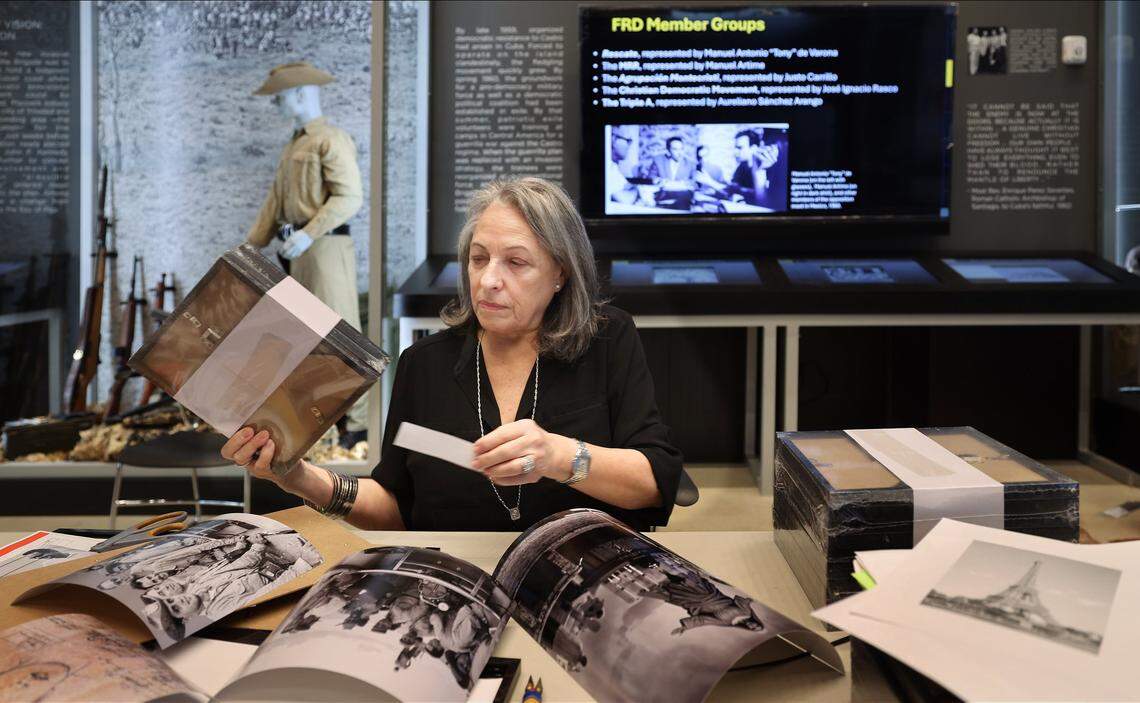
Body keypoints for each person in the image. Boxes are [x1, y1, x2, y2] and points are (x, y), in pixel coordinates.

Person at [222, 177, 683, 531]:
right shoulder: (425, 364)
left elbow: (655, 482)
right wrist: (298, 477)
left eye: (516, 263)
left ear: (561, 273)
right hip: (456, 590)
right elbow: (397, 507)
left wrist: (558, 456)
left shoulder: (606, 340)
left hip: (583, 580)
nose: (487, 281)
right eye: (479, 259)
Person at [246, 61, 369, 447]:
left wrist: (309, 234)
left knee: (341, 334)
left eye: (280, 98)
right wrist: (252, 245)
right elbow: (275, 201)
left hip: (324, 247)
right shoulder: (295, 144)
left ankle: (358, 424)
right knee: (305, 335)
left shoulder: (330, 140)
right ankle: (325, 420)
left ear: (300, 94)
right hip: (297, 250)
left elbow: (350, 196)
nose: (277, 106)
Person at [727, 128, 784, 210]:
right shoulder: (742, 167)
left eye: (739, 148)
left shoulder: (768, 167)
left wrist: (740, 190)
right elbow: (732, 188)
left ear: (753, 148)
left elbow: (765, 199)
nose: (735, 152)